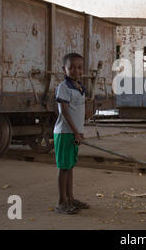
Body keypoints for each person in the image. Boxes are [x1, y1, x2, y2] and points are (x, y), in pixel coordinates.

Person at [53, 52, 90, 214]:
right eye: (72, 67)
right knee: (63, 167)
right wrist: (76, 132)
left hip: (74, 133)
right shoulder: (63, 87)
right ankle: (61, 203)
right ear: (64, 69)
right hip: (65, 133)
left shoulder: (80, 88)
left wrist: (80, 132)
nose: (76, 70)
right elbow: (65, 112)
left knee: (69, 166)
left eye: (79, 67)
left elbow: (79, 112)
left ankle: (70, 199)